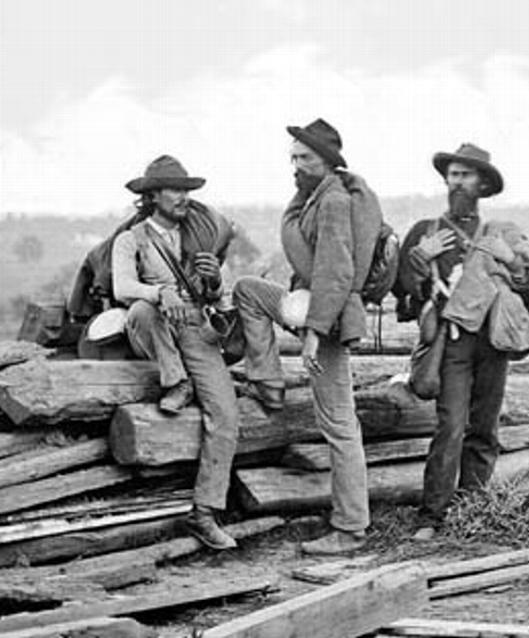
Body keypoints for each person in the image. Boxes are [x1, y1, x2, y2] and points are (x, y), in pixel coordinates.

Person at [393, 143, 529, 541]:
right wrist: (418, 258)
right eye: (453, 174)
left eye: (466, 175)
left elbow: (526, 286)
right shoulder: (426, 232)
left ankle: (474, 508)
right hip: (451, 343)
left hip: (493, 340)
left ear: (483, 184)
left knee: (484, 426)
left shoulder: (502, 233)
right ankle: (432, 516)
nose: (458, 182)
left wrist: (512, 261)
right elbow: (403, 293)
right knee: (450, 425)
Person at [233, 119, 376, 555]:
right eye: (292, 157)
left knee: (339, 424)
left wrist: (313, 335)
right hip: (311, 303)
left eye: (304, 158)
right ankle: (268, 382)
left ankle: (350, 528)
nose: (295, 165)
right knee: (248, 290)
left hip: (328, 318)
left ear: (328, 161)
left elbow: (337, 269)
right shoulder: (313, 194)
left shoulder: (333, 200)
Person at [112, 155, 239, 550]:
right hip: (156, 327)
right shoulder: (131, 239)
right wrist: (157, 291)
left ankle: (204, 512)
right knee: (141, 309)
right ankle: (175, 380)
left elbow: (217, 295)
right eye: (175, 189)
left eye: (187, 190)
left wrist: (214, 281)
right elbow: (122, 287)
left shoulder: (198, 236)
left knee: (226, 413)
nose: (184, 197)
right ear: (152, 196)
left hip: (195, 328)